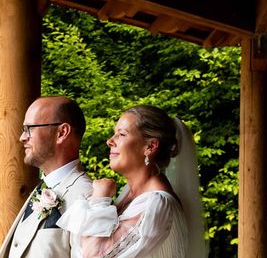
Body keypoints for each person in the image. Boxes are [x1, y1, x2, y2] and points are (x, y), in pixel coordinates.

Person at [57, 105, 207, 258]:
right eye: (114, 133)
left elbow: (94, 255)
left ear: (150, 146)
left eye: (121, 134)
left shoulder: (156, 204)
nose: (110, 141)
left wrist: (99, 200)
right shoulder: (130, 193)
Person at [0, 96, 93, 258]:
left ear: (62, 132)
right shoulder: (43, 187)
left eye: (30, 128)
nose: (22, 137)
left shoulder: (88, 197)